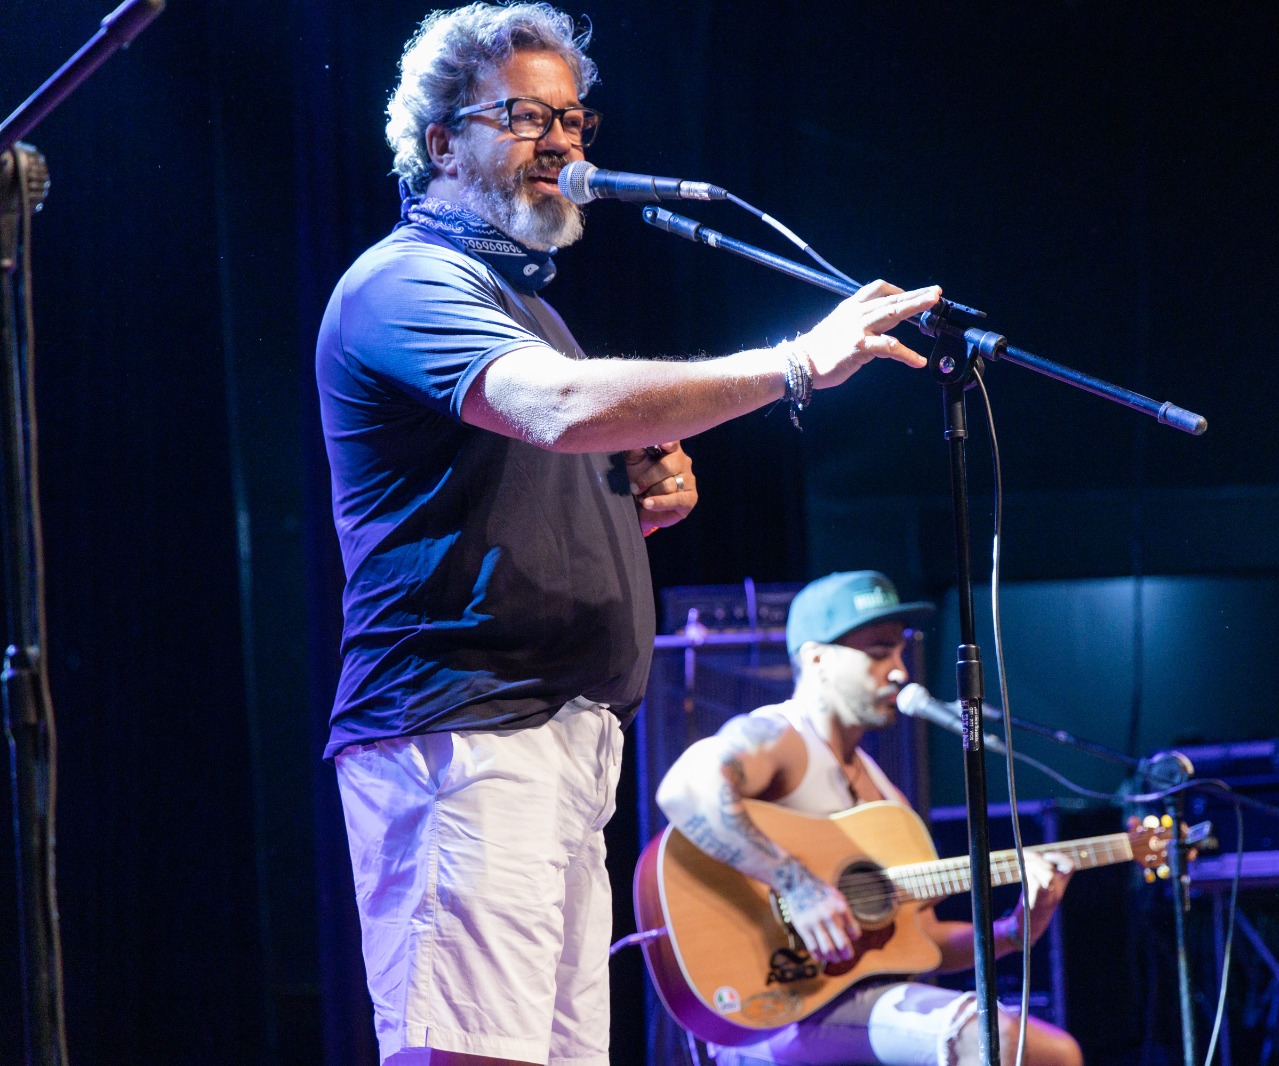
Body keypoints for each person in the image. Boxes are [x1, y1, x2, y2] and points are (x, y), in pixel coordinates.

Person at [315, 5, 943, 1064]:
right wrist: (793, 365)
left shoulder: (526, 306)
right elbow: (560, 407)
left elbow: (523, 473)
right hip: (465, 733)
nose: (562, 142)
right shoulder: (404, 282)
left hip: (558, 738)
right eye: (524, 116)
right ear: (439, 143)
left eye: (574, 118)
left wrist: (627, 509)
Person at [655, 571, 1084, 1066]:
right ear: (816, 659)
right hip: (778, 1008)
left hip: (853, 1005)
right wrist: (797, 884)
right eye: (879, 652)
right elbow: (682, 789)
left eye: (900, 652)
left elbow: (923, 944)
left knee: (1041, 1049)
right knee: (1019, 1045)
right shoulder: (779, 736)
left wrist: (1014, 931)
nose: (900, 670)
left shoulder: (885, 800)